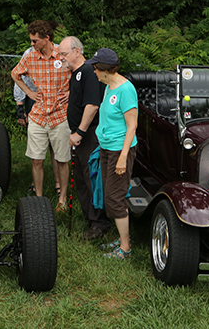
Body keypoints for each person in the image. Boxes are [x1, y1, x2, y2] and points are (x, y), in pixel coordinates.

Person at [11, 20, 70, 212]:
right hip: (38, 114)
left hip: (60, 114)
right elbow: (15, 74)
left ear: (47, 38)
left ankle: (61, 200)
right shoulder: (30, 57)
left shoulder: (64, 53)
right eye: (31, 40)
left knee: (61, 159)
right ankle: (38, 198)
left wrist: (72, 92)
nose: (31, 44)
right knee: (36, 159)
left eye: (35, 40)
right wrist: (28, 93)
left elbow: (82, 72)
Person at [59, 36, 112, 240]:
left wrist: (79, 132)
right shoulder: (76, 74)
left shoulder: (89, 71)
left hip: (89, 134)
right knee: (80, 177)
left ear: (77, 51)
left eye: (64, 54)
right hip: (78, 133)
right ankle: (89, 217)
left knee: (91, 177)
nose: (61, 58)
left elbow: (92, 105)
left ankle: (100, 222)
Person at [89, 48, 137, 260]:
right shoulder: (109, 86)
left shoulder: (126, 90)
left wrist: (123, 157)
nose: (94, 71)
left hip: (120, 150)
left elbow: (132, 125)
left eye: (96, 68)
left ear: (105, 70)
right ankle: (122, 237)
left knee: (115, 198)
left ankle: (125, 248)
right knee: (111, 196)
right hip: (108, 148)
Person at [14, 45, 62, 196]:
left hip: (56, 102)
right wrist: (20, 106)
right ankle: (35, 183)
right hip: (35, 98)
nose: (32, 43)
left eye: (35, 40)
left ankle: (58, 182)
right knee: (37, 145)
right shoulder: (29, 53)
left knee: (56, 145)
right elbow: (19, 77)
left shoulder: (60, 52)